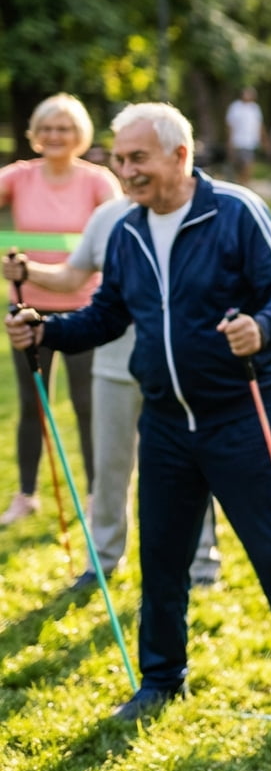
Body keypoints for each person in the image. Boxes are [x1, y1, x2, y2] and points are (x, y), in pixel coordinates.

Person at [5, 102, 271, 729]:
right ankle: (162, 679)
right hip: (164, 423)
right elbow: (109, 314)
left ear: (180, 156)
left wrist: (264, 328)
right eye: (119, 157)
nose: (126, 169)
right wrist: (47, 331)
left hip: (240, 415)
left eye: (138, 157)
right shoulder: (125, 230)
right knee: (161, 560)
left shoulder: (235, 211)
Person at [3, 196, 221, 591]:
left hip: (177, 367)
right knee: (108, 469)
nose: (130, 167)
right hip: (112, 365)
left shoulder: (197, 214)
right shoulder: (108, 217)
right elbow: (73, 278)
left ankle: (202, 566)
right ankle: (101, 561)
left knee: (191, 468)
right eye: (124, 158)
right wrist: (27, 271)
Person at [0, 93, 121, 526]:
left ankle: (94, 496)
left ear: (80, 135)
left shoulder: (98, 180)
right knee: (32, 404)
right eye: (48, 128)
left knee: (90, 405)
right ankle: (27, 494)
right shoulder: (18, 176)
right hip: (27, 314)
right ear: (34, 135)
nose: (55, 136)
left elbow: (117, 231)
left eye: (65, 128)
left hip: (85, 314)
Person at [224, 86, 267, 186]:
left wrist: (264, 140)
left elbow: (259, 125)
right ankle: (239, 183)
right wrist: (230, 141)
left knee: (248, 164)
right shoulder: (235, 107)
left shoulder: (255, 108)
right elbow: (230, 125)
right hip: (237, 142)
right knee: (238, 165)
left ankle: (245, 183)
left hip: (250, 142)